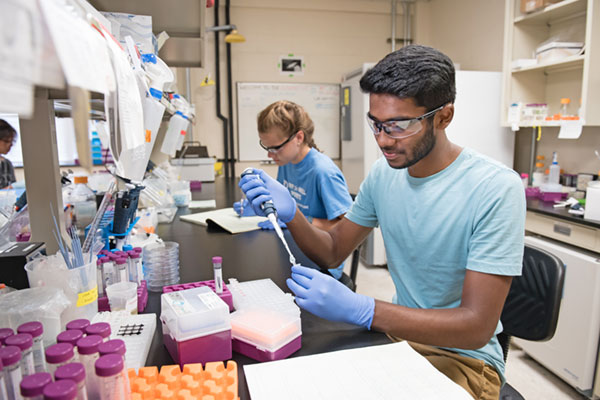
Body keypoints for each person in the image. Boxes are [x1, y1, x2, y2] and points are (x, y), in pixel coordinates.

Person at [239, 45, 525, 399]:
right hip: (398, 340)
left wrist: (363, 308)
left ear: (443, 116)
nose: (383, 140)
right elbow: (332, 251)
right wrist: (292, 214)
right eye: (375, 123)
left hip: (463, 359)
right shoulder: (384, 175)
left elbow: (476, 327)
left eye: (398, 126)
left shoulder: (495, 188)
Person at [234, 100, 352, 280]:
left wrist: (300, 219)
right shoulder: (287, 162)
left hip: (322, 263)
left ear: (298, 137)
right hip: (296, 248)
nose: (270, 155)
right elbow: (284, 204)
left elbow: (348, 230)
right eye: (266, 147)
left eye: (275, 148)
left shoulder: (323, 172)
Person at [0, 119, 17, 189]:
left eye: (12, 141)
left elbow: (13, 187)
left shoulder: (7, 164)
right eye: (7, 141)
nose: (10, 145)